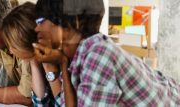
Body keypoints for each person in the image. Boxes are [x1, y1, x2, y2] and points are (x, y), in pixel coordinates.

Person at [31, 0, 180, 106]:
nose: (37, 29)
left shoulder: (98, 54)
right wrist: (63, 63)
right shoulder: (79, 57)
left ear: (74, 21)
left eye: (41, 21)